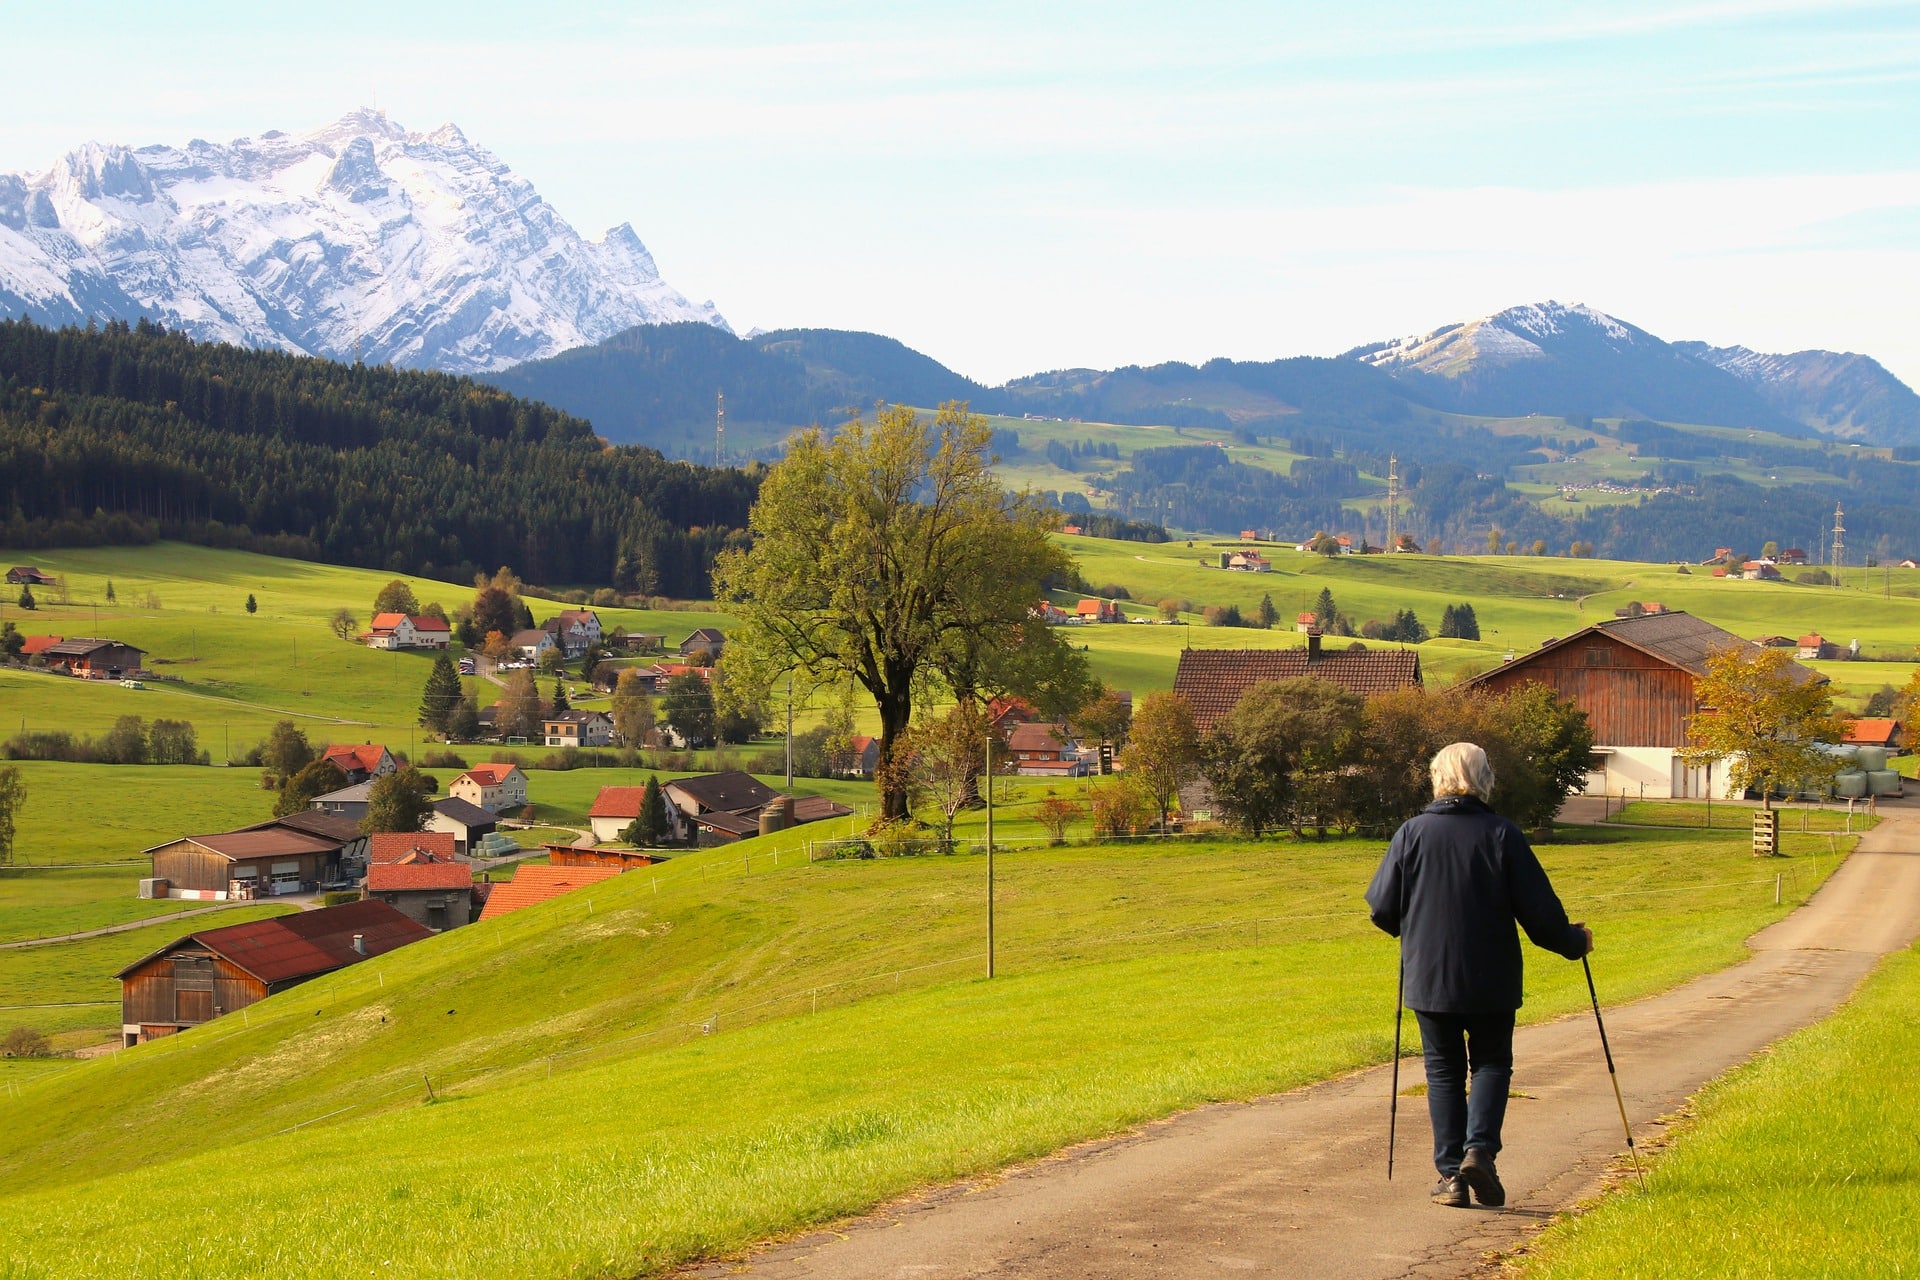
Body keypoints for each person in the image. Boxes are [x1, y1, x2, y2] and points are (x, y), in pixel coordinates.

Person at [1364, 742, 1593, 1210]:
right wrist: (1574, 942)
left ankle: (1451, 1176)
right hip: (1492, 975)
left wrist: (1416, 925)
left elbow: (1383, 910)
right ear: (1483, 778)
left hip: (1429, 976)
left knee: (1443, 1071)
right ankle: (1480, 1152)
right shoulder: (1502, 834)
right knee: (1490, 1063)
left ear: (1438, 777)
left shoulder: (1411, 834)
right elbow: (1541, 917)